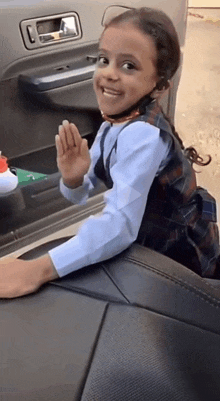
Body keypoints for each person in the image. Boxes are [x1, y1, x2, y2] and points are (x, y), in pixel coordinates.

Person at [0, 7, 219, 298]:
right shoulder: (113, 124)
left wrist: (39, 269)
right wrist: (73, 178)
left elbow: (120, 226)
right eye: (104, 59)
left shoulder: (143, 136)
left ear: (159, 87)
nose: (108, 74)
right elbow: (80, 195)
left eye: (129, 66)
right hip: (146, 229)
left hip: (180, 248)